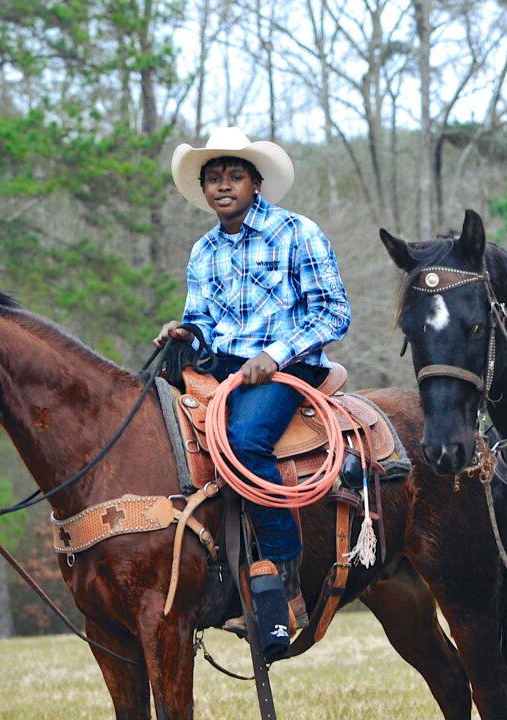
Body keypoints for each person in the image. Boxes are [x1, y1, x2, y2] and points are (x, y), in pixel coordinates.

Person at [156, 127, 351, 630]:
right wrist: (184, 333)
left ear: (256, 182)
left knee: (244, 442)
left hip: (289, 366)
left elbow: (334, 312)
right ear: (204, 188)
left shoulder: (297, 232)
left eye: (235, 176)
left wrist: (276, 355)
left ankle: (286, 588)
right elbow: (201, 319)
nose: (223, 185)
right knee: (157, 428)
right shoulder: (203, 250)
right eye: (213, 178)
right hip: (224, 368)